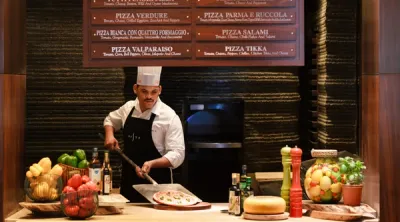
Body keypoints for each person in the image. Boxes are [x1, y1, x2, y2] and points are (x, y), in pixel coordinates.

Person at [103, 66, 185, 202]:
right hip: (128, 184)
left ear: (160, 90)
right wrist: (109, 135)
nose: (149, 97)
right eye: (144, 91)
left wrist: (152, 163)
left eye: (154, 92)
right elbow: (110, 120)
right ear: (135, 89)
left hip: (158, 187)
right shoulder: (128, 108)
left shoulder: (169, 116)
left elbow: (178, 154)